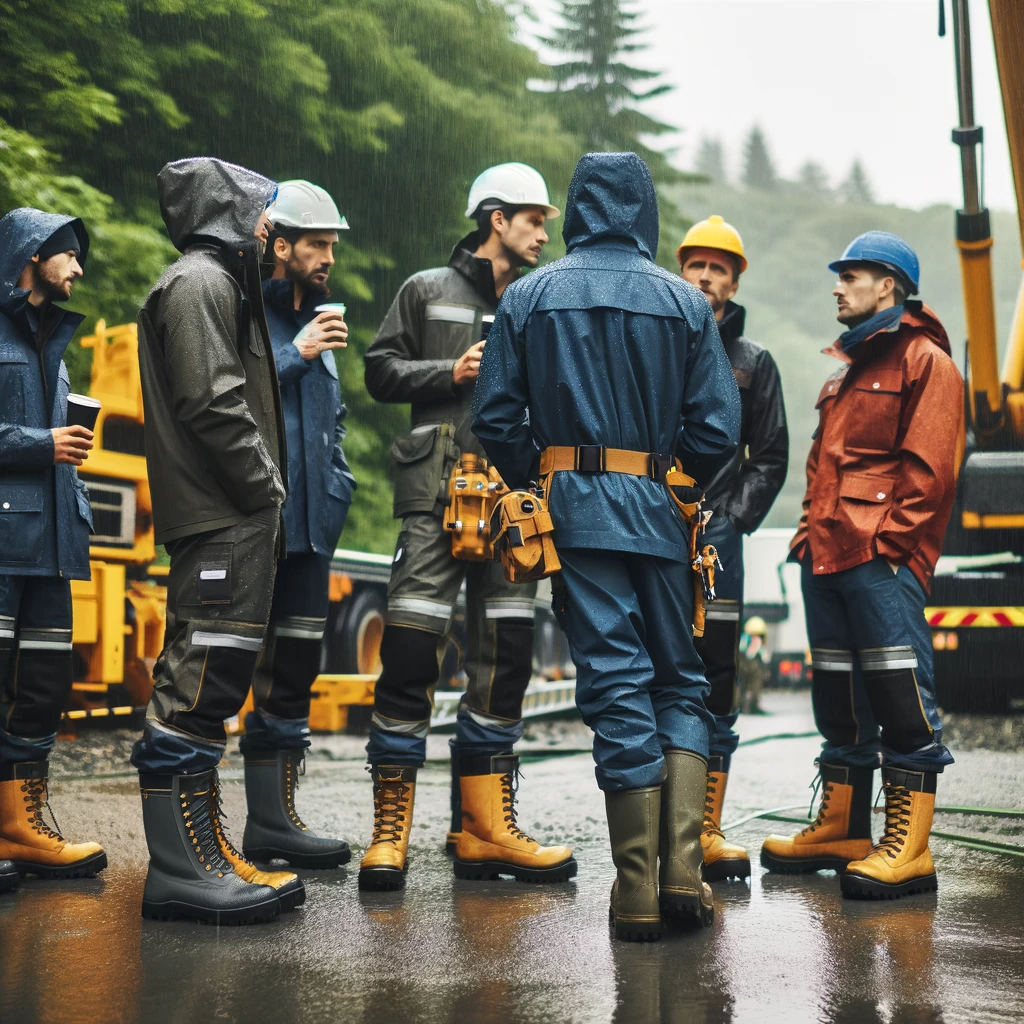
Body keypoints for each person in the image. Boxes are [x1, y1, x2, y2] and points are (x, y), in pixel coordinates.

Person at [473, 152, 741, 941]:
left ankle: (636, 895)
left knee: (617, 681)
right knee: (680, 681)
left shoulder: (528, 296)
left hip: (574, 515)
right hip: (661, 511)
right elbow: (718, 430)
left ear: (579, 208)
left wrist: (544, 475)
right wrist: (668, 476)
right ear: (645, 213)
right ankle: (684, 873)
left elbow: (495, 419)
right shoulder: (684, 304)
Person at [359, 163, 575, 891]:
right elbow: (379, 372)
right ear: (495, 219)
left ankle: (484, 828)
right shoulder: (425, 290)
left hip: (516, 506)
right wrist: (448, 373)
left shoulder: (545, 303)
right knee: (412, 652)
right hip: (434, 498)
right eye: (533, 219)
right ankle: (389, 835)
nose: (545, 233)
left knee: (506, 657)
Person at [761, 231, 963, 901]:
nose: (837, 286)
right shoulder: (842, 371)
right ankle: (845, 828)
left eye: (851, 275)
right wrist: (803, 539)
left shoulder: (926, 362)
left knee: (902, 700)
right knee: (840, 701)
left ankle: (909, 849)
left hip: (879, 559)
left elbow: (929, 474)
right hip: (825, 557)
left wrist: (890, 546)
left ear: (889, 287)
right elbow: (823, 467)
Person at [131, 157, 299, 925]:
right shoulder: (199, 283)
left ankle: (204, 854)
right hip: (223, 514)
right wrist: (266, 485)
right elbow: (212, 401)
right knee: (196, 683)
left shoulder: (219, 283)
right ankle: (180, 870)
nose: (269, 227)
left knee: (215, 683)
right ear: (227, 211)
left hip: (231, 515)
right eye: (261, 211)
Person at [238, 180, 355, 869]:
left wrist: (338, 487)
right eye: (317, 243)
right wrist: (297, 351)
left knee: (297, 672)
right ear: (279, 245)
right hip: (260, 524)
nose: (328, 256)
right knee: (235, 668)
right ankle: (230, 828)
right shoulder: (245, 313)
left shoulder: (323, 318)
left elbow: (329, 425)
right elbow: (231, 399)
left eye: (332, 245)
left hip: (313, 531)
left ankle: (277, 824)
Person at [677, 215, 788, 884]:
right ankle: (667, 826)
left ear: (735, 280)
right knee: (663, 672)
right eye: (697, 264)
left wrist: (734, 520)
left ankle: (708, 829)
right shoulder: (655, 344)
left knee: (717, 677)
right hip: (656, 532)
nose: (707, 276)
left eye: (720, 267)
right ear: (681, 271)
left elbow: (769, 457)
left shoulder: (754, 363)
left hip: (719, 541)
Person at [0, 208, 106, 887]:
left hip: (55, 546)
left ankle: (20, 826)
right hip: (5, 545)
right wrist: (45, 445)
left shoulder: (57, 344)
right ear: (32, 255)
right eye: (68, 253)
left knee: (43, 687)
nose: (79, 266)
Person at [737, 616, 767, 715]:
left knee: (741, 685)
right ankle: (753, 706)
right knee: (754, 686)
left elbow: (741, 649)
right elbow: (761, 655)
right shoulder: (757, 640)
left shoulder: (744, 637)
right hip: (752, 665)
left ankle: (740, 706)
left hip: (741, 664)